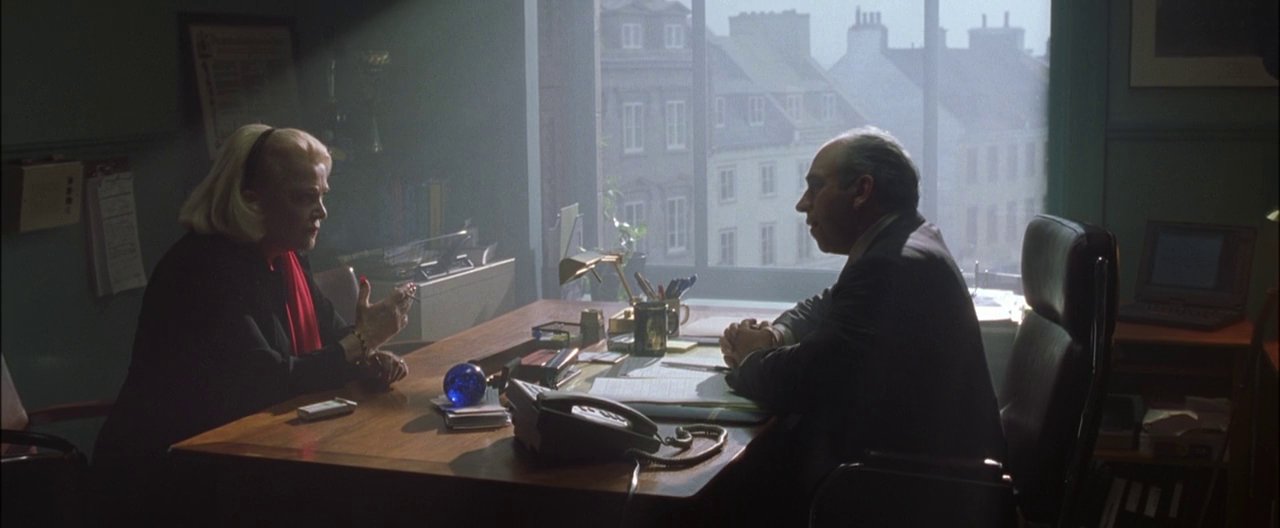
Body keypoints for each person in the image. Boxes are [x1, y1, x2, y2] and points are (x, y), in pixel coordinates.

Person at [93, 124, 415, 520]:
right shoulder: (203, 269)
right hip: (170, 478)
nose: (321, 212)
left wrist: (366, 357)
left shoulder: (287, 255)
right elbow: (265, 381)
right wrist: (360, 343)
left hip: (246, 461)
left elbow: (333, 339)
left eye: (322, 196)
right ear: (252, 199)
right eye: (304, 197)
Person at [719, 126, 1004, 520]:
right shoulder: (907, 239)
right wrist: (773, 334)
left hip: (908, 494)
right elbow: (826, 305)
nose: (802, 204)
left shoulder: (889, 264)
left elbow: (807, 378)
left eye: (816, 187)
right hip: (915, 474)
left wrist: (749, 360)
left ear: (862, 191)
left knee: (732, 491)